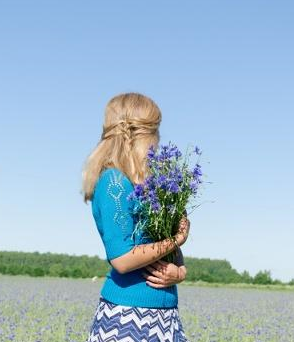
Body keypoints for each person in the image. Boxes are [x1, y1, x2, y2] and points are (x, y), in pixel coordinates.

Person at [81, 92, 191, 342]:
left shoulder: (152, 185)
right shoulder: (114, 182)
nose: (158, 142)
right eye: (155, 132)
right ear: (140, 136)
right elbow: (121, 258)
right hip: (128, 316)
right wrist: (177, 239)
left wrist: (180, 272)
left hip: (165, 315)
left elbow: (165, 247)